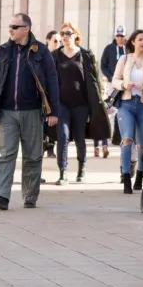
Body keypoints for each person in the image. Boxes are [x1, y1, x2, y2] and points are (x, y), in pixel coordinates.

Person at [0, 13, 60, 210]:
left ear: (26, 29)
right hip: (7, 112)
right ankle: (1, 196)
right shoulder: (3, 51)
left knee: (32, 156)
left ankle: (30, 195)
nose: (11, 30)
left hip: (32, 111)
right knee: (6, 154)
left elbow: (52, 82)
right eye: (10, 26)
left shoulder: (41, 51)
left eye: (15, 26)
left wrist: (53, 111)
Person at [52, 22, 110, 185]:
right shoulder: (55, 55)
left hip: (81, 104)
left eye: (68, 33)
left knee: (79, 138)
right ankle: (63, 172)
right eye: (62, 33)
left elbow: (93, 80)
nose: (65, 36)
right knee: (62, 137)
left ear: (76, 36)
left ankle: (81, 168)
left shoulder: (85, 54)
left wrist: (97, 101)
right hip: (61, 103)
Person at [112, 29, 143, 194]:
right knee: (127, 139)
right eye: (140, 39)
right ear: (133, 42)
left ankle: (139, 175)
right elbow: (115, 80)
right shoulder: (124, 59)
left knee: (142, 144)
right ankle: (126, 178)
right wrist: (124, 84)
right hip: (127, 104)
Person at [99, 26, 127, 156]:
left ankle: (121, 132)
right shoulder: (109, 49)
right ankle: (110, 134)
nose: (120, 38)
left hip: (126, 83)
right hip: (112, 82)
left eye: (122, 36)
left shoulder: (128, 49)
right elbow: (103, 65)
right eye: (118, 36)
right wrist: (110, 77)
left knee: (124, 106)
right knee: (111, 107)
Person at [42, 32, 61, 154]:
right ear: (47, 40)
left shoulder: (60, 56)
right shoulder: (41, 55)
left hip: (56, 93)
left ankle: (50, 147)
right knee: (43, 121)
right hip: (44, 93)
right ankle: (42, 143)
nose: (58, 44)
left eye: (59, 41)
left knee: (54, 121)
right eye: (55, 41)